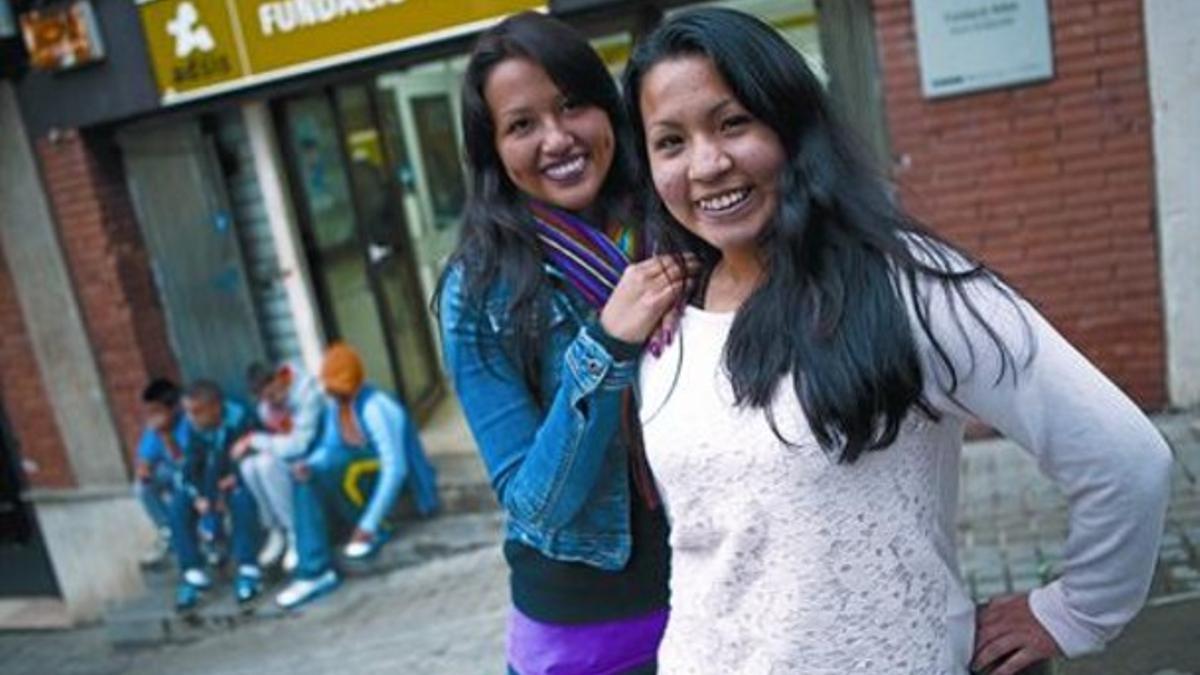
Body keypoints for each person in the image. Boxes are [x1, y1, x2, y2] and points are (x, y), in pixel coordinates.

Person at [624, 8, 1173, 675]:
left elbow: (1126, 458)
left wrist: (1075, 610)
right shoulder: (671, 315)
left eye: (734, 122)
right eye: (671, 142)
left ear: (792, 124)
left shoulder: (910, 284)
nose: (707, 164)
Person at [436, 12, 693, 674]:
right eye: (522, 125)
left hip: (722, 587)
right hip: (589, 634)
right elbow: (536, 503)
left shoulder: (687, 224)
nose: (558, 138)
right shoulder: (480, 288)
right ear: (493, 148)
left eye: (572, 104)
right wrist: (608, 342)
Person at [275, 343, 439, 610]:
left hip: (381, 485)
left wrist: (369, 524)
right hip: (354, 481)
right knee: (307, 475)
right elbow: (329, 448)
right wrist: (309, 465)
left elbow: (395, 468)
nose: (333, 392)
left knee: (339, 468)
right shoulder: (336, 406)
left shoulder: (376, 406)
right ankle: (313, 570)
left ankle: (369, 533)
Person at [171, 380, 263, 610]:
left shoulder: (242, 418)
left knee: (240, 498)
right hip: (211, 484)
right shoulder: (194, 428)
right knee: (179, 503)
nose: (192, 418)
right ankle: (193, 573)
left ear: (215, 407)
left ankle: (248, 568)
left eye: (197, 412)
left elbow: (254, 452)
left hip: (239, 479)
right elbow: (190, 467)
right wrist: (199, 496)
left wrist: (232, 478)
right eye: (189, 412)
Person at [232, 361, 324, 571]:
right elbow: (279, 442)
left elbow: (301, 444)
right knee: (249, 465)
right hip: (291, 456)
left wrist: (255, 440)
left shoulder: (306, 392)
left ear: (280, 378)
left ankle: (295, 532)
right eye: (264, 398)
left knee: (266, 465)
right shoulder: (267, 407)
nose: (270, 402)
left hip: (315, 454)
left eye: (272, 394)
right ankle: (275, 528)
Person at [133, 378, 189, 565]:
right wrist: (144, 470)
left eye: (157, 411)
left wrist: (166, 435)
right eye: (150, 412)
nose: (153, 416)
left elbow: (183, 460)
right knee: (141, 487)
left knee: (183, 478)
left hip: (190, 472)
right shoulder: (152, 430)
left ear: (174, 408)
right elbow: (145, 459)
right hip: (169, 473)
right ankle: (167, 530)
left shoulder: (187, 423)